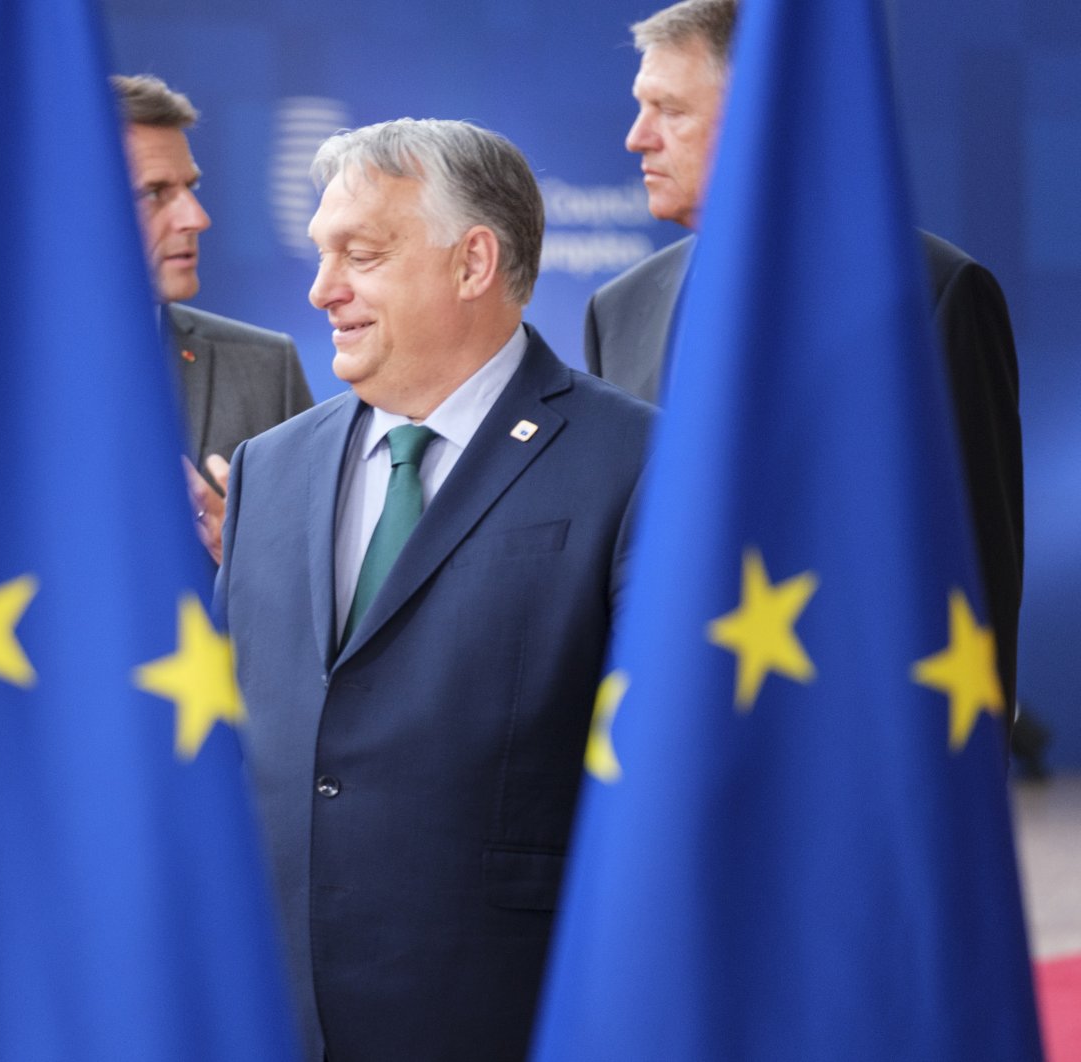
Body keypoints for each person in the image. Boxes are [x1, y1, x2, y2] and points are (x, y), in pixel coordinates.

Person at [217, 118, 655, 1061]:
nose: (321, 289)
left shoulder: (640, 463)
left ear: (472, 263)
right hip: (277, 1016)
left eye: (360, 256)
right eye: (321, 255)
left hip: (508, 1015)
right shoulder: (270, 468)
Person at [586, 0, 1024, 713]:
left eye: (669, 110)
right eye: (641, 107)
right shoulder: (619, 309)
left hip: (843, 760)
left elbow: (973, 585)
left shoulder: (929, 295)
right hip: (666, 769)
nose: (637, 138)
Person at [111, 74, 314, 562]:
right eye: (156, 192)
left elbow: (325, 581)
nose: (195, 217)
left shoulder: (267, 366)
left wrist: (248, 557)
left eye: (191, 187)